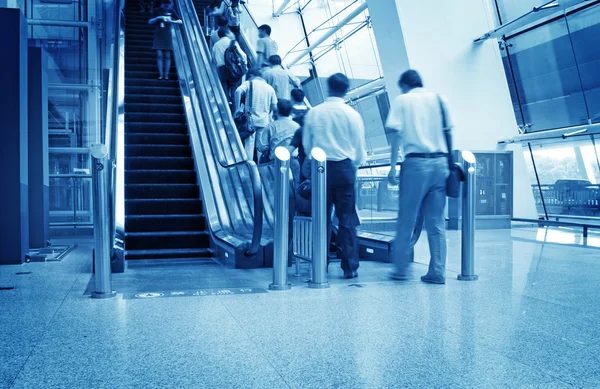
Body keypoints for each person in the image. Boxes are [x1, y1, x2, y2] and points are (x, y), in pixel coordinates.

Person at [386, 69, 451, 285]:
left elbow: (396, 133)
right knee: (436, 222)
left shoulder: (403, 100)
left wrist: (393, 166)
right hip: (441, 164)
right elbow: (448, 131)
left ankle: (401, 270)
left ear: (405, 84)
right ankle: (438, 271)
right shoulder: (440, 99)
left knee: (407, 218)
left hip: (415, 164)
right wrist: (450, 163)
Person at [303, 73, 367, 279]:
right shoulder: (352, 114)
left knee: (320, 218)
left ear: (327, 87)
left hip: (321, 169)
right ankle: (350, 267)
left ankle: (320, 264)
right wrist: (354, 165)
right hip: (345, 169)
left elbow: (307, 145)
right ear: (346, 90)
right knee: (346, 220)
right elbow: (359, 149)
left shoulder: (315, 113)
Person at [234, 68, 278, 162]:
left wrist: (237, 107)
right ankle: (260, 165)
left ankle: (249, 165)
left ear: (251, 76)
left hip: (250, 120)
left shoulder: (249, 83)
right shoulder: (270, 88)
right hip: (264, 121)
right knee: (261, 145)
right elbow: (274, 106)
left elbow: (238, 91)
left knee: (249, 144)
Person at [257, 99, 300, 164]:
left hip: (275, 163)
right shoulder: (297, 126)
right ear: (291, 112)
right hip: (293, 162)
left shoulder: (270, 126)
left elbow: (262, 147)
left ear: (277, 111)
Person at [148, 0, 182, 80]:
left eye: (168, 4)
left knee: (167, 55)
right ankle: (161, 75)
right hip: (159, 34)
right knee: (159, 55)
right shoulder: (156, 10)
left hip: (167, 34)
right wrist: (158, 18)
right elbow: (150, 21)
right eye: (165, 4)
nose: (166, 6)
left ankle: (166, 75)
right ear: (162, 3)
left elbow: (180, 21)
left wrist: (171, 21)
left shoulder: (171, 10)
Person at [212, 27, 236, 97]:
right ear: (227, 33)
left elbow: (213, 60)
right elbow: (243, 55)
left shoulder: (216, 45)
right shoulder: (232, 42)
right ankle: (234, 105)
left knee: (223, 86)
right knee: (233, 87)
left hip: (221, 68)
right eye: (230, 32)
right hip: (232, 67)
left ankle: (226, 102)